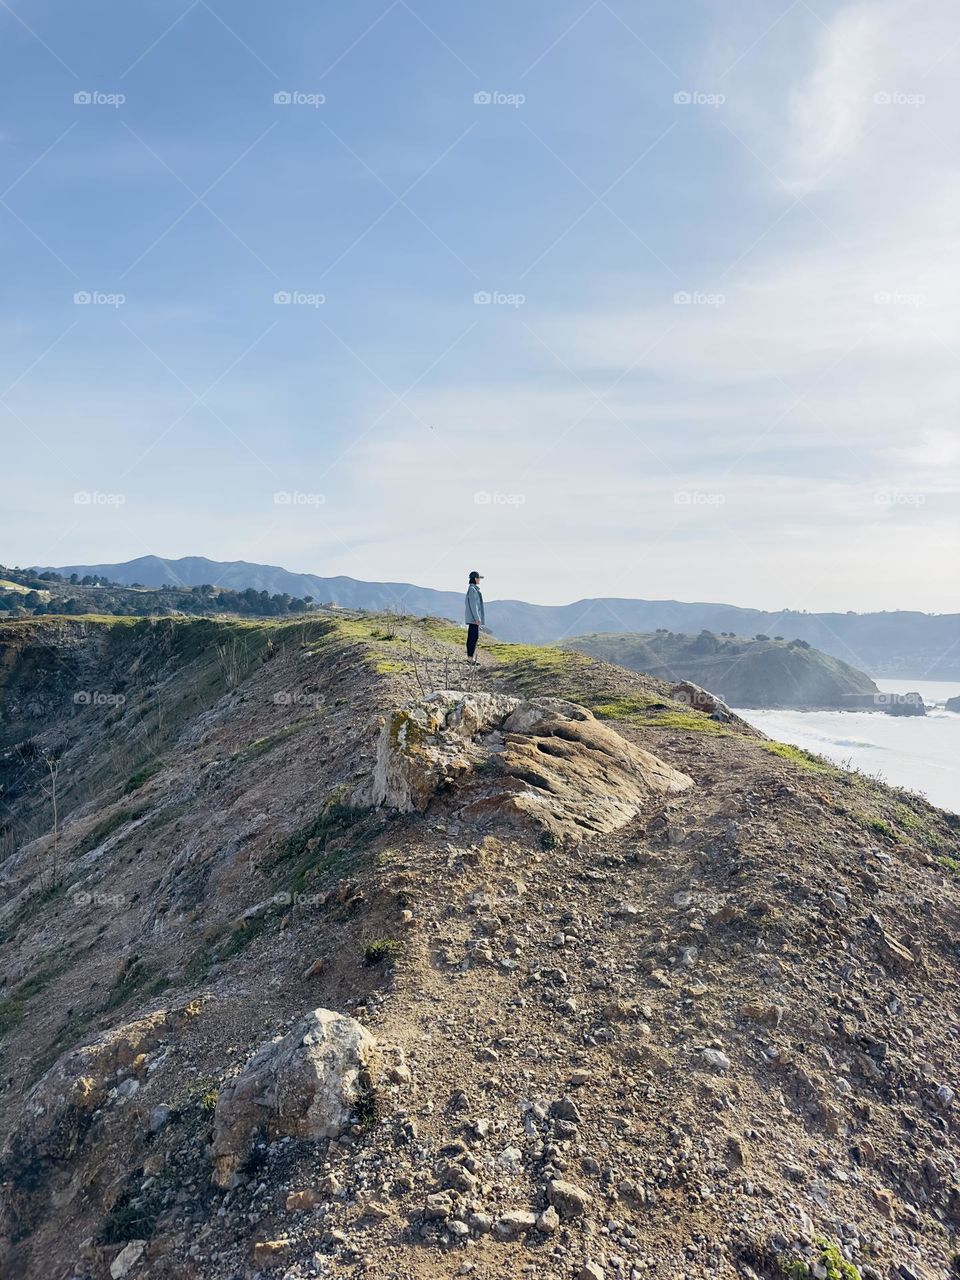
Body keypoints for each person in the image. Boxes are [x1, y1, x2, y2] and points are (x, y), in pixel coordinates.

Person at [464, 570, 485, 661]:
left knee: (472, 637)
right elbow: (474, 605)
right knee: (473, 637)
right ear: (475, 579)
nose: (479, 580)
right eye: (479, 578)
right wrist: (477, 618)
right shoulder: (473, 590)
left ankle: (470, 657)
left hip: (473, 618)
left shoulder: (473, 589)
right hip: (473, 619)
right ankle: (470, 658)